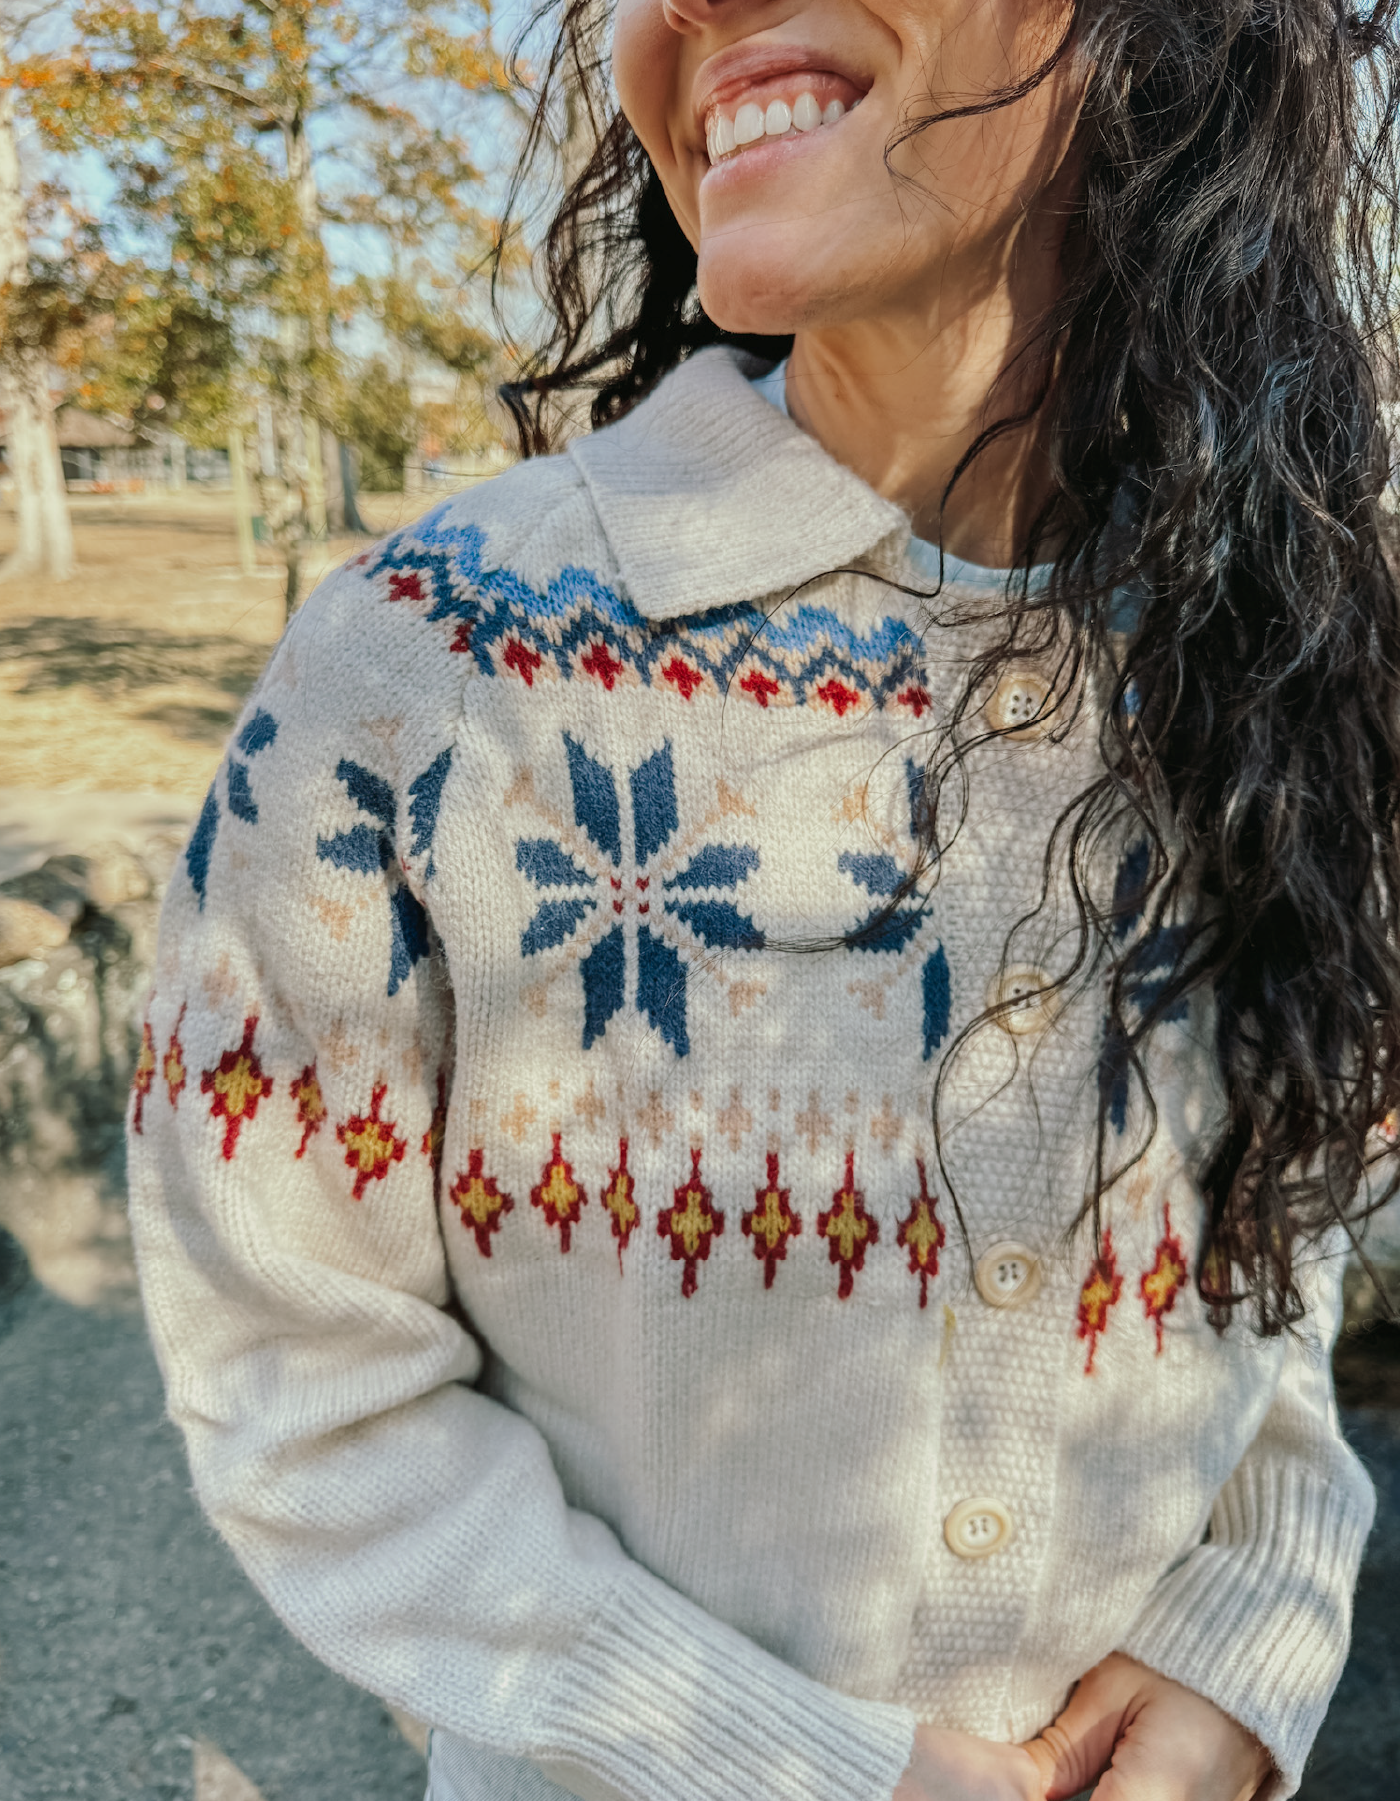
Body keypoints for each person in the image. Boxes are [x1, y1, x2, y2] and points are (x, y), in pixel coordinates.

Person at [126, 0, 1400, 1793]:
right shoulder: (426, 674)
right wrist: (801, 1767)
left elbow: (1277, 1230)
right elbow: (294, 1380)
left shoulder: (1298, 658)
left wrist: (1240, 1649)